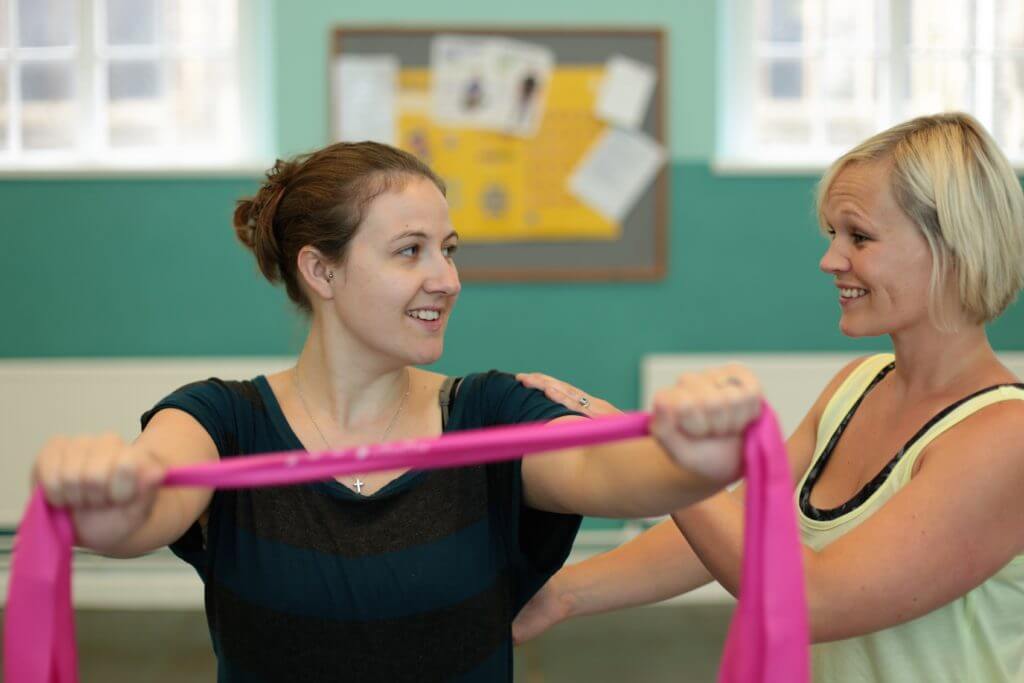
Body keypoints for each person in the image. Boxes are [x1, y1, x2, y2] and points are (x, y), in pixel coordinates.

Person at [30, 141, 763, 682]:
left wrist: (695, 449)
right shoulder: (221, 419)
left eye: (448, 250)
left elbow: (615, 469)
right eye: (409, 251)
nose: (446, 279)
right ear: (321, 269)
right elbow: (138, 507)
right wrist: (101, 488)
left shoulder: (486, 411)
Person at [512, 112, 1024, 682]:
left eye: (859, 236)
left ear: (951, 247)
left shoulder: (1004, 437)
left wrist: (664, 459)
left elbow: (812, 603)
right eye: (833, 235)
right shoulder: (857, 384)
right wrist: (560, 594)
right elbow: (743, 528)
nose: (830, 260)